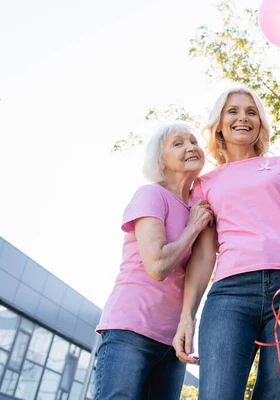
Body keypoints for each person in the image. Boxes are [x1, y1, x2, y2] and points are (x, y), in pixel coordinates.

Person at [172, 81, 280, 399]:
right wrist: (187, 317)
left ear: (260, 122)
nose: (243, 118)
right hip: (230, 296)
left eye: (251, 112)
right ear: (219, 124)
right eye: (233, 111)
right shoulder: (205, 184)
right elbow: (204, 255)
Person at [95, 122, 214, 400]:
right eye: (178, 143)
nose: (191, 147)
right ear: (161, 162)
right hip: (130, 330)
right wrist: (192, 228)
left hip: (172, 343)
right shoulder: (151, 195)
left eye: (194, 141)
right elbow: (157, 266)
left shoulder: (199, 208)